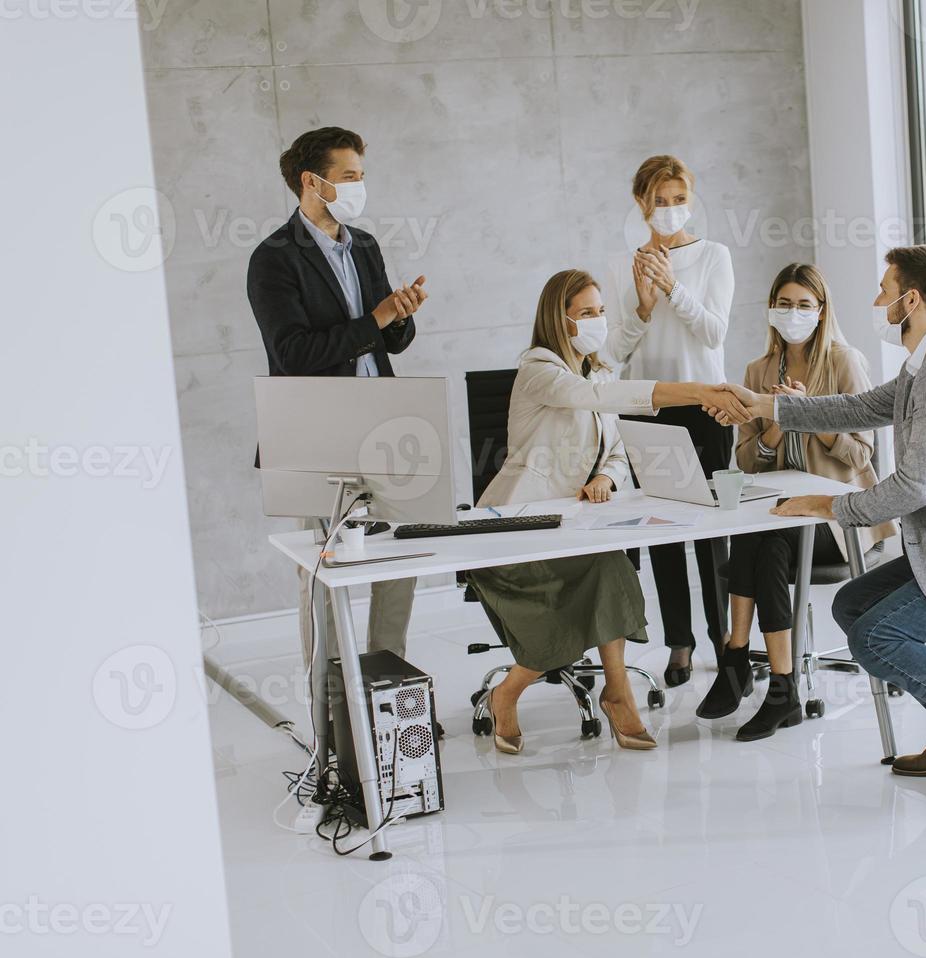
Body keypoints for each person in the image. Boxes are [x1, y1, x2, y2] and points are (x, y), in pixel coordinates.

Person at [709, 246, 926, 812]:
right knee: (852, 606)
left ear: (911, 299)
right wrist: (767, 407)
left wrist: (829, 508)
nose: (877, 301)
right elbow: (860, 407)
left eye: (884, 290)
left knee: (876, 636)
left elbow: (915, 486)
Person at [466, 269, 750, 754]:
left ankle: (618, 694)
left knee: (611, 569)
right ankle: (506, 693)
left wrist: (606, 477)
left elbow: (616, 449)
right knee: (569, 612)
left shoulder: (597, 372)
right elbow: (597, 399)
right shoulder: (539, 369)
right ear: (560, 319)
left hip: (573, 529)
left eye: (601, 312)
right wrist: (699, 392)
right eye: (586, 313)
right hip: (516, 529)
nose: (598, 321)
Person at [246, 126, 428, 673]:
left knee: (399, 557)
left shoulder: (365, 245)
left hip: (384, 427)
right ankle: (331, 708)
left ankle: (390, 688)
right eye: (349, 177)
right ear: (312, 181)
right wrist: (375, 320)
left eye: (362, 176)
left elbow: (387, 339)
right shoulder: (273, 259)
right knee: (324, 573)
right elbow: (295, 352)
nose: (359, 186)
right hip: (315, 433)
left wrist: (402, 314)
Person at [696, 264, 897, 741]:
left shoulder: (844, 362)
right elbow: (746, 462)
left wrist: (808, 416)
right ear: (771, 310)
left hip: (837, 518)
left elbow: (862, 453)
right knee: (761, 537)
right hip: (780, 511)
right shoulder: (757, 371)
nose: (793, 313)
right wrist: (774, 424)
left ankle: (738, 661)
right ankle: (778, 686)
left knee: (764, 537)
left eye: (804, 305)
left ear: (822, 311)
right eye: (784, 304)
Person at [605, 154, 735, 690]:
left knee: (712, 533)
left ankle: (727, 639)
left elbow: (713, 334)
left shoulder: (714, 256)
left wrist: (675, 290)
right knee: (662, 532)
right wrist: (643, 304)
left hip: (707, 408)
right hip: (649, 410)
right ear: (640, 203)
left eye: (678, 199)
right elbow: (613, 353)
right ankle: (678, 642)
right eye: (659, 201)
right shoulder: (621, 266)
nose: (669, 209)